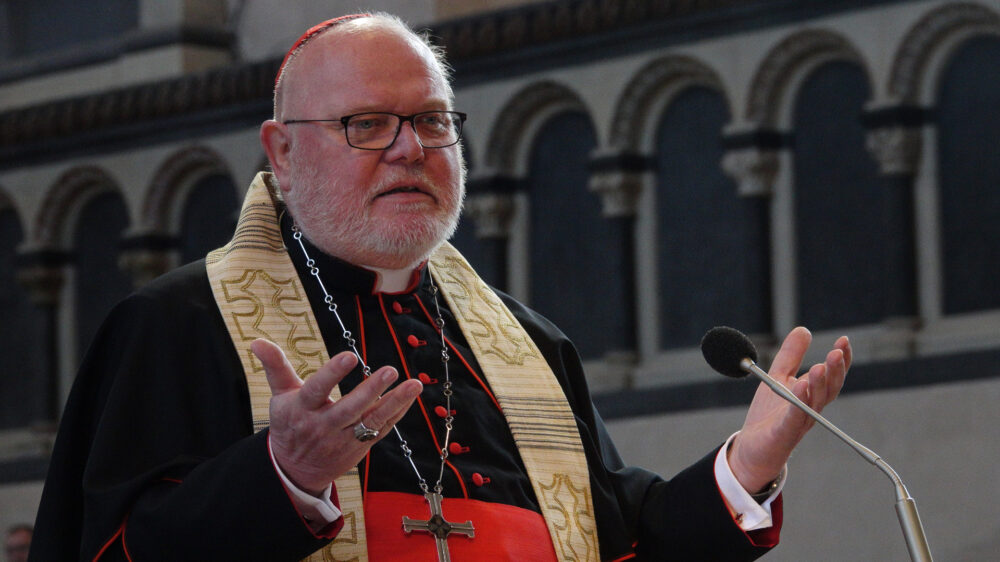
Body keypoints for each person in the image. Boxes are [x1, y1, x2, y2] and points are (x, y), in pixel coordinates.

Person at [30, 12, 851, 562]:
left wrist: (745, 467)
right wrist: (281, 475)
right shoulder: (176, 325)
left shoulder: (524, 342)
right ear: (281, 154)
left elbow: (618, 541)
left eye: (431, 121)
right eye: (366, 124)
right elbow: (107, 548)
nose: (409, 148)